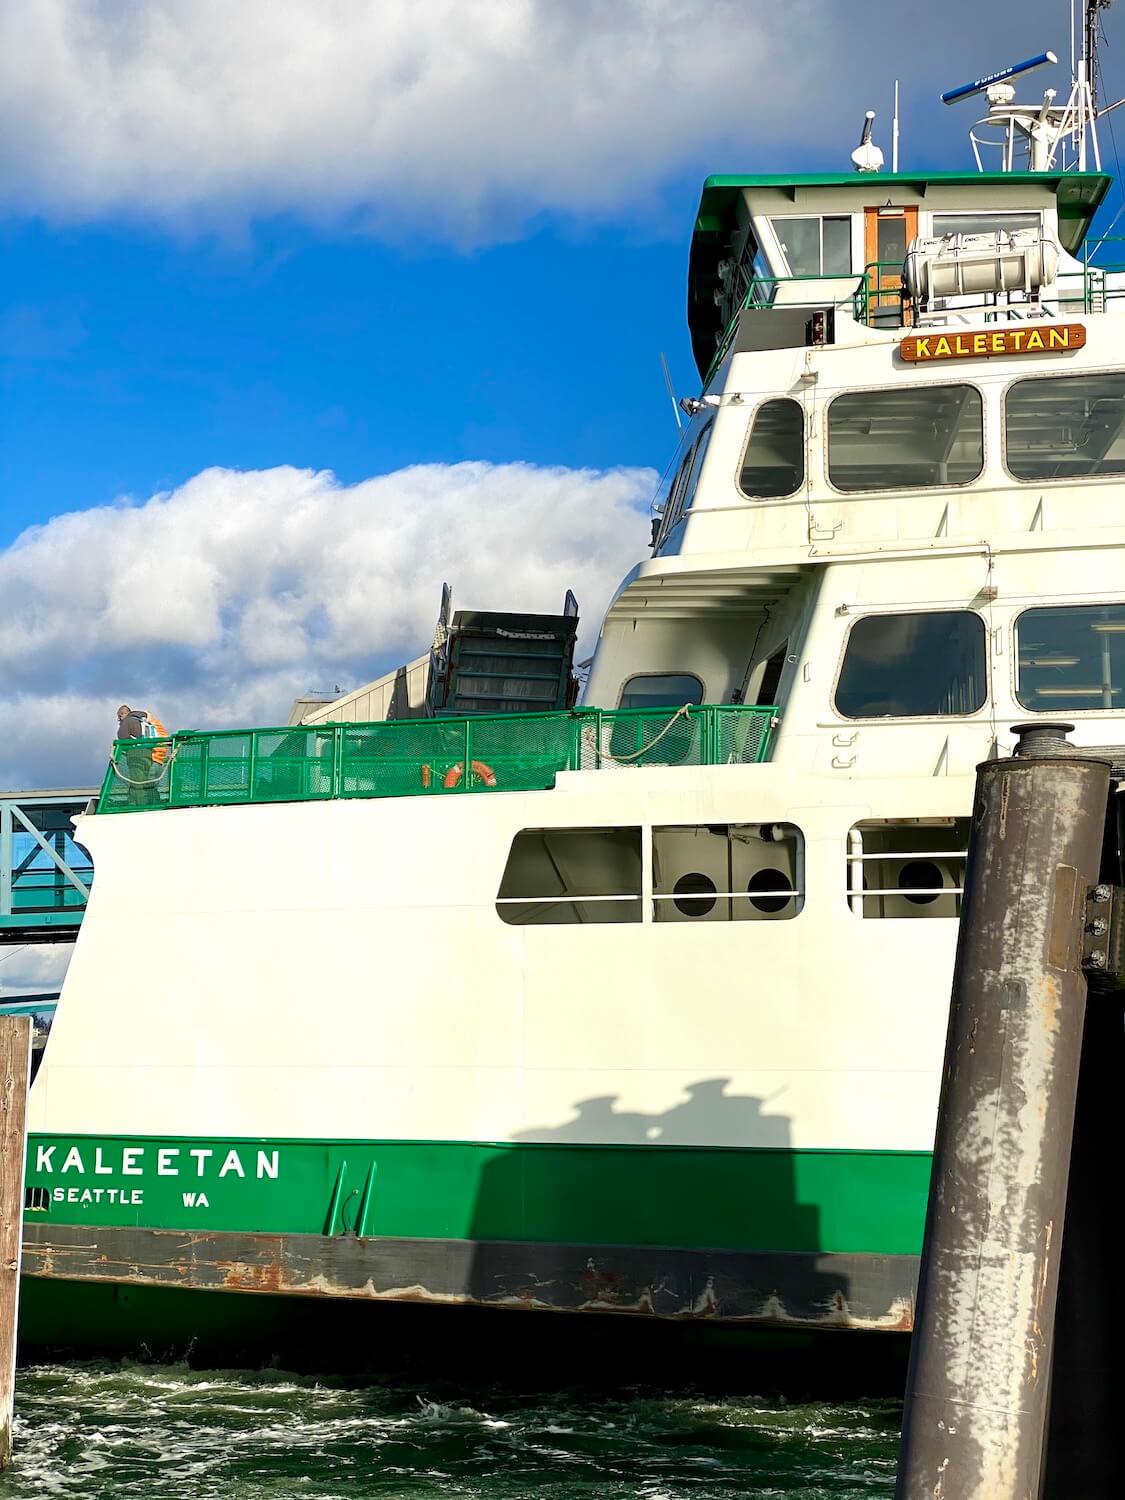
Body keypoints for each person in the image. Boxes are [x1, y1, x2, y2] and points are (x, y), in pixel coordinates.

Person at [115, 704, 158, 807]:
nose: (119, 719)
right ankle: (133, 802)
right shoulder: (142, 721)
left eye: (119, 716)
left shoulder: (127, 721)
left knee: (137, 781)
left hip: (135, 754)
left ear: (122, 714)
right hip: (148, 753)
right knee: (143, 780)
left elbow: (123, 737)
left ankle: (140, 805)